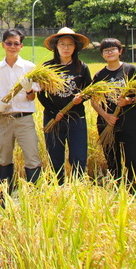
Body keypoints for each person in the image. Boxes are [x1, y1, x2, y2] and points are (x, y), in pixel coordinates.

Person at [0, 29, 42, 192]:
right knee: (5, 157)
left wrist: (29, 90)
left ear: (21, 46)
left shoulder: (30, 67)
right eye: (9, 43)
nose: (12, 46)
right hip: (5, 119)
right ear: (3, 45)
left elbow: (32, 98)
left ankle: (34, 196)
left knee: (32, 157)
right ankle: (5, 196)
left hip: (24, 119)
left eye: (16, 43)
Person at [37, 28, 92, 183]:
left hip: (76, 119)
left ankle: (78, 188)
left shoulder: (82, 67)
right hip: (53, 119)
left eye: (69, 45)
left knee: (78, 157)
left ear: (75, 47)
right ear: (56, 46)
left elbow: (89, 90)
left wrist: (82, 98)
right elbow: (41, 94)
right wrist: (54, 112)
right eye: (62, 44)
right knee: (55, 156)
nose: (66, 48)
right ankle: (58, 188)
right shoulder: (48, 67)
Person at [91, 38, 136, 188]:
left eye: (112, 49)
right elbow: (94, 100)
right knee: (112, 159)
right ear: (102, 54)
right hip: (106, 124)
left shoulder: (131, 70)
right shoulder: (99, 75)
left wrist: (129, 100)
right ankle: (116, 187)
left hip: (129, 122)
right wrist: (106, 116)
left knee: (133, 158)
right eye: (105, 51)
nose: (109, 52)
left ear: (120, 51)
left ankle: (133, 189)